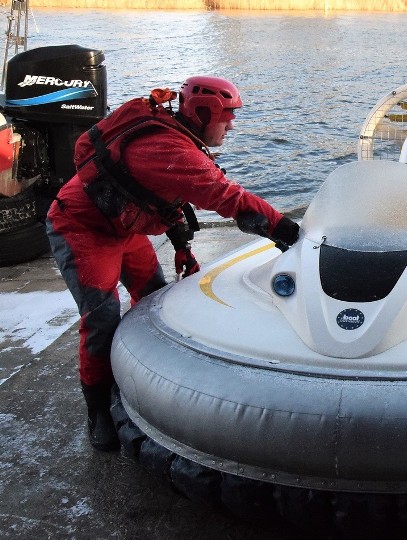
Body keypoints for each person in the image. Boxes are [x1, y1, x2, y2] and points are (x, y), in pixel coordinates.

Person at [46, 76, 300, 451]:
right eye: (227, 117)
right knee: (101, 319)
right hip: (82, 228)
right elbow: (226, 196)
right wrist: (287, 231)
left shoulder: (177, 138)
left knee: (150, 294)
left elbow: (168, 195)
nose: (232, 125)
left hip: (123, 226)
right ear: (202, 112)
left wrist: (182, 245)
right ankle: (97, 408)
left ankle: (134, 371)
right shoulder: (170, 149)